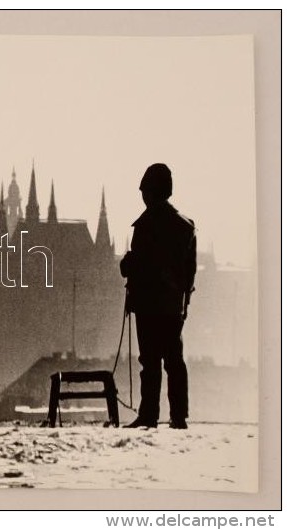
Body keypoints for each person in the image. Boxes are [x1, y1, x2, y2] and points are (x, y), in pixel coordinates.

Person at [120, 163, 197, 429]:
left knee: (150, 360)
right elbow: (190, 270)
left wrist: (126, 265)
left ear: (151, 192)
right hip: (174, 304)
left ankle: (149, 414)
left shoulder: (148, 224)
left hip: (149, 302)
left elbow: (139, 263)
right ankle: (179, 415)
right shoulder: (186, 226)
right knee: (174, 359)